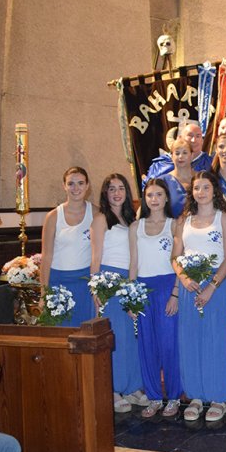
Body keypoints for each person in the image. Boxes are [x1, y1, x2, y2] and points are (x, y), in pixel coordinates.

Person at [171, 172, 226, 422]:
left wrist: (212, 287)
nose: (201, 192)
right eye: (196, 188)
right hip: (190, 286)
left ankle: (218, 397)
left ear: (214, 190)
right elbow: (176, 256)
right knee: (191, 340)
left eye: (206, 187)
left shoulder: (224, 218)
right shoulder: (183, 220)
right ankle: (196, 396)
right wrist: (185, 278)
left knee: (215, 339)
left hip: (216, 287)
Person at [90, 173, 147, 412]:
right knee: (114, 339)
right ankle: (112, 390)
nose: (116, 193)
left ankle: (132, 386)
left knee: (130, 338)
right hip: (108, 282)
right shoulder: (101, 219)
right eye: (111, 188)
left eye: (121, 188)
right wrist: (96, 290)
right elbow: (95, 257)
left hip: (128, 281)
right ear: (105, 193)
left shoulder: (130, 218)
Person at [128, 179, 182, 418]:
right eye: (150, 195)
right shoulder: (135, 227)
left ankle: (174, 397)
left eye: (159, 194)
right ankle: (153, 396)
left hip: (166, 287)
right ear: (145, 198)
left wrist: (175, 294)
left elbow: (180, 263)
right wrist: (131, 298)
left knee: (169, 345)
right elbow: (133, 264)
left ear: (166, 198)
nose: (154, 199)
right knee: (146, 345)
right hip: (143, 289)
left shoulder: (174, 225)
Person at [39, 167, 97, 327]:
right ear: (64, 186)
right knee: (60, 336)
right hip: (58, 283)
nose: (76, 188)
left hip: (85, 284)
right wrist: (44, 293)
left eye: (80, 183)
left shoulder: (97, 213)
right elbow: (46, 256)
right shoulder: (53, 216)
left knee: (85, 335)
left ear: (87, 186)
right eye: (71, 183)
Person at [143, 123, 212, 186]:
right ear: (180, 138)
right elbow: (149, 190)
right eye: (190, 135)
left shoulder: (210, 163)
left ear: (202, 140)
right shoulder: (160, 165)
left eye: (198, 136)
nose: (194, 140)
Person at [159, 139, 194, 217]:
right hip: (172, 227)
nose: (181, 156)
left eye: (185, 153)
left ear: (192, 156)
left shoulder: (202, 178)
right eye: (177, 153)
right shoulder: (162, 181)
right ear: (171, 157)